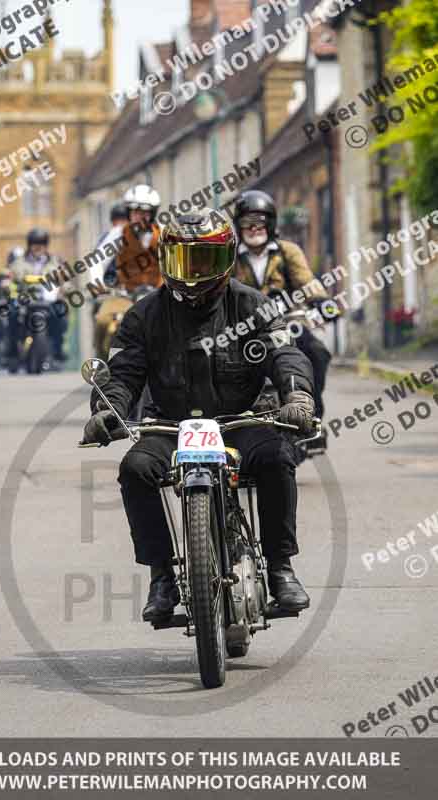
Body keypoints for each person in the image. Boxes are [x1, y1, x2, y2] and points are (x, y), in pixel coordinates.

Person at [82, 208, 316, 621]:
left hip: (241, 420)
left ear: (226, 259)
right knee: (135, 468)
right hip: (171, 425)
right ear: (166, 261)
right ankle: (161, 577)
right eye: (181, 260)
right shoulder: (143, 316)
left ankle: (281, 567)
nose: (192, 273)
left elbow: (285, 355)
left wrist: (296, 398)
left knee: (278, 457)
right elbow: (124, 375)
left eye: (203, 260)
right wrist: (109, 410)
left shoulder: (252, 306)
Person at [234, 190, 335, 419]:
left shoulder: (287, 251)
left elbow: (306, 281)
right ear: (238, 226)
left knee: (317, 353)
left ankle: (312, 414)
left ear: (270, 224)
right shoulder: (230, 256)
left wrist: (323, 303)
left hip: (287, 324)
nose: (254, 228)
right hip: (242, 329)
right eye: (247, 222)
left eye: (260, 222)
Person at [92, 186, 162, 359]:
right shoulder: (118, 234)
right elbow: (97, 260)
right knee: (102, 321)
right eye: (135, 212)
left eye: (145, 213)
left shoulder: (164, 233)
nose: (140, 217)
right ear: (129, 213)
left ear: (152, 214)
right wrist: (97, 282)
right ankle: (102, 367)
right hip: (125, 294)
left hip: (158, 295)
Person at [8, 228, 68, 370]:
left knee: (61, 314)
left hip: (48, 301)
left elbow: (65, 280)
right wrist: (11, 282)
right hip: (25, 299)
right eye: (35, 244)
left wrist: (66, 289)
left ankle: (58, 349)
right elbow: (11, 275)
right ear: (29, 245)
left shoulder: (56, 262)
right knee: (12, 314)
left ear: (46, 245)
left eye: (41, 244)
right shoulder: (19, 262)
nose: (38, 247)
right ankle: (11, 352)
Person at [0, 247, 24, 364]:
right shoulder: (4, 274)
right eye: (14, 261)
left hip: (27, 305)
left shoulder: (30, 272)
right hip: (9, 306)